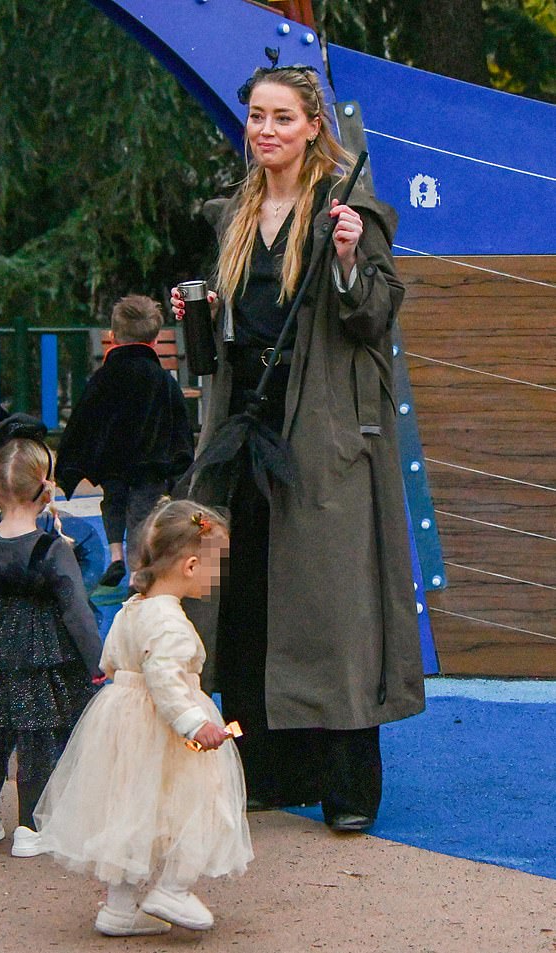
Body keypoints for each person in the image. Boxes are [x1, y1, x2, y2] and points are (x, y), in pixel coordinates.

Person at [171, 63, 425, 831]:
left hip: (321, 436)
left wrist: (348, 257)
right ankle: (269, 771)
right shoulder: (239, 212)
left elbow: (374, 316)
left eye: (282, 117)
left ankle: (347, 789)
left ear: (315, 125)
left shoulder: (350, 208)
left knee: (331, 607)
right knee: (245, 596)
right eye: (256, 117)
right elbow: (228, 335)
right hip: (243, 430)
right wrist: (203, 311)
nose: (265, 131)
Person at [35, 498, 252, 936]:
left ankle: (119, 908)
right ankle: (174, 887)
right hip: (166, 727)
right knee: (198, 805)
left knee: (132, 812)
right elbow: (165, 678)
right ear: (190, 565)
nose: (217, 577)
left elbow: (112, 659)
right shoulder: (170, 621)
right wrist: (194, 723)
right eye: (216, 566)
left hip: (124, 721)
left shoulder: (133, 607)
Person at [0, 421, 103, 858]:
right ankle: (30, 827)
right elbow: (76, 611)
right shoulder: (52, 548)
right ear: (45, 489)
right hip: (41, 651)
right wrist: (96, 665)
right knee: (35, 737)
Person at [55, 294, 194, 591]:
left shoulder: (105, 376)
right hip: (150, 462)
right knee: (142, 513)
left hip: (112, 460)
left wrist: (73, 459)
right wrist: (180, 462)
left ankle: (116, 555)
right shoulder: (161, 379)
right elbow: (177, 421)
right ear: (155, 340)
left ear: (113, 337)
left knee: (113, 503)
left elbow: (84, 417)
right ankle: (137, 569)